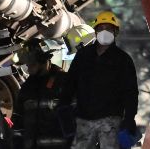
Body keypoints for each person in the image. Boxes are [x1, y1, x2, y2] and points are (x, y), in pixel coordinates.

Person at [59, 11, 139, 149]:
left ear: (115, 32)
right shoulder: (83, 55)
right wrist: (63, 105)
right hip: (83, 118)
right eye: (101, 28)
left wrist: (129, 118)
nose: (104, 31)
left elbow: (131, 92)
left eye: (108, 28)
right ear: (95, 31)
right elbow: (70, 82)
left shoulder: (123, 59)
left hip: (110, 120)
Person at [12, 38, 70, 149]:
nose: (28, 68)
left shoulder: (64, 82)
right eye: (27, 64)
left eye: (31, 64)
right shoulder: (27, 87)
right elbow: (18, 120)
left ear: (43, 60)